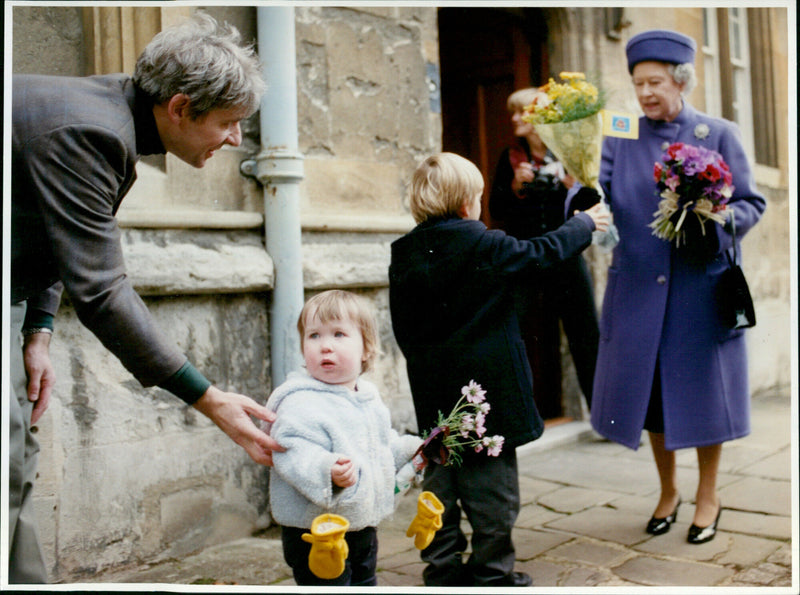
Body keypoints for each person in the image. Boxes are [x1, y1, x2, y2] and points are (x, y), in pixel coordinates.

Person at [9, 14, 283, 583]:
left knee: (15, 465)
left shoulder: (109, 111)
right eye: (230, 124)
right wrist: (209, 400)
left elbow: (55, 228)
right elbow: (104, 291)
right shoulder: (90, 132)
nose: (235, 140)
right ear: (181, 108)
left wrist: (37, 329)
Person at [573, 29, 766, 544]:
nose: (645, 93)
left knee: (704, 398)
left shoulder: (718, 132)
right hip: (638, 292)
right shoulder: (621, 133)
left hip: (698, 294)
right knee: (653, 400)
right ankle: (667, 491)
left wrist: (715, 214)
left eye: (655, 82)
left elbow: (752, 202)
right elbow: (599, 193)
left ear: (680, 80)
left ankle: (708, 494)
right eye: (638, 84)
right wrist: (578, 187)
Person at [389, 152, 609, 586]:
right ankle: (491, 572)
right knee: (494, 492)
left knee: (441, 484)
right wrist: (583, 223)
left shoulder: (405, 253)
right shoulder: (486, 245)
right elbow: (542, 253)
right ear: (468, 203)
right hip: (486, 394)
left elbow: (404, 329)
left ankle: (442, 567)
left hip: (435, 394)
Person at [266, 290, 423, 586]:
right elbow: (290, 449)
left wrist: (409, 449)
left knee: (365, 581)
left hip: (362, 521)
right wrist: (326, 469)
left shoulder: (366, 395)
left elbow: (379, 444)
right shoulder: (300, 401)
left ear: (366, 348)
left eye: (338, 334)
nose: (325, 346)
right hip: (318, 531)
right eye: (314, 336)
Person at [489, 87, 600, 418]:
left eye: (520, 111)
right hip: (526, 259)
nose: (513, 119)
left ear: (541, 117)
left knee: (586, 335)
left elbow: (594, 208)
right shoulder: (510, 157)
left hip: (566, 259)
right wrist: (514, 187)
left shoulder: (570, 154)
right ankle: (517, 417)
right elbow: (496, 209)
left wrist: (574, 187)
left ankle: (603, 416)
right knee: (516, 334)